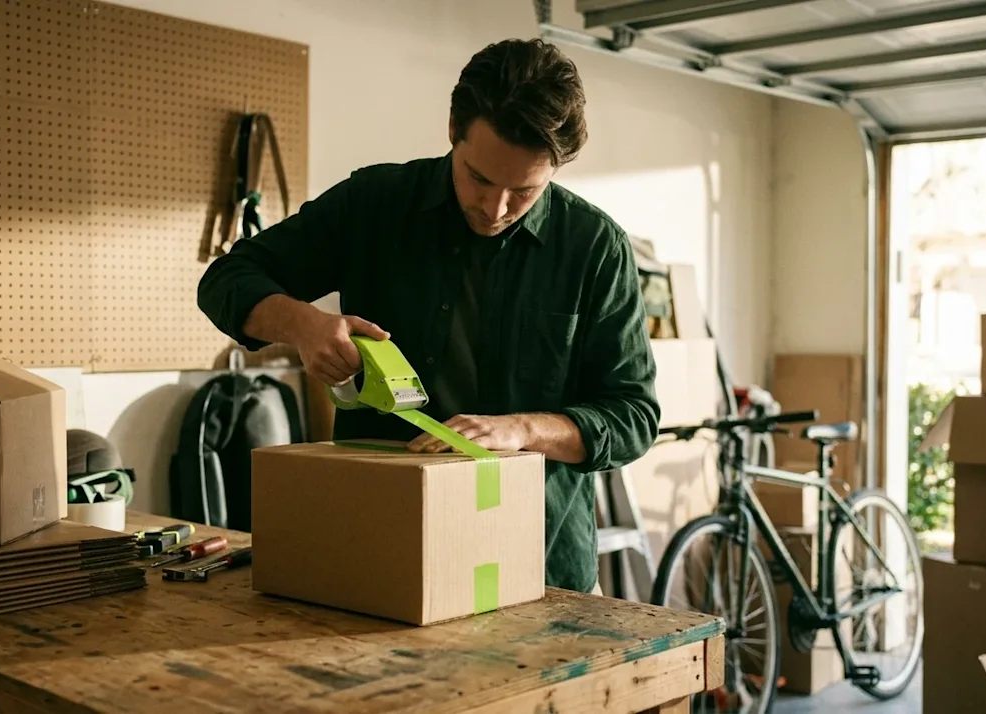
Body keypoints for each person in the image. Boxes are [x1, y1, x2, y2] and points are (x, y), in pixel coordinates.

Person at [197, 37, 660, 594]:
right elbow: (225, 280)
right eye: (480, 178)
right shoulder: (375, 204)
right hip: (378, 548)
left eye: (525, 192)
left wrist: (522, 430)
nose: (496, 209)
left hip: (535, 566)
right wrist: (302, 325)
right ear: (452, 130)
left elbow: (633, 416)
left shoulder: (594, 246)